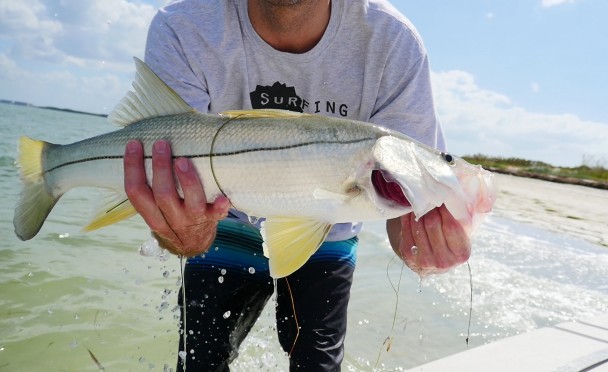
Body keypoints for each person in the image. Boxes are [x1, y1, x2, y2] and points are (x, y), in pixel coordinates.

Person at [123, 0, 471, 370]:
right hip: (223, 219)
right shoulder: (183, 25)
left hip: (329, 231)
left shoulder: (394, 42)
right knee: (200, 364)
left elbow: (403, 220)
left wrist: (425, 249)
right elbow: (168, 179)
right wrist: (181, 232)